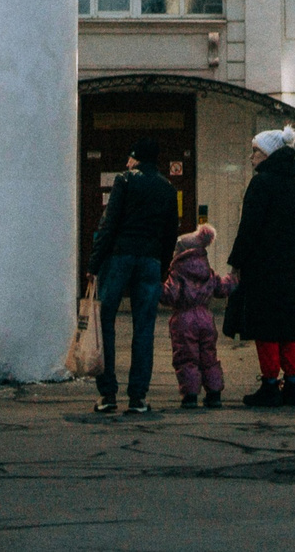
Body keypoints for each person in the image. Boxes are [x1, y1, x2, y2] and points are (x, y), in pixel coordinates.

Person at [86, 136, 180, 414]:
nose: (127, 162)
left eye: (130, 157)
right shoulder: (167, 188)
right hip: (150, 260)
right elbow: (170, 232)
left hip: (119, 256)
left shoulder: (124, 181)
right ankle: (138, 397)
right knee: (144, 328)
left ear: (137, 158)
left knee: (106, 323)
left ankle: (108, 395)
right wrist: (162, 266)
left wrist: (94, 263)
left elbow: (109, 224)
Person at [224, 126, 295, 407]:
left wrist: (237, 262)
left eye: (255, 151)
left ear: (268, 154)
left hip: (260, 265)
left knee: (264, 326)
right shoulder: (293, 186)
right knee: (285, 323)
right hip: (284, 264)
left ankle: (270, 384)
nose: (251, 157)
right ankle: (293, 384)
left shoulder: (261, 184)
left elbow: (249, 227)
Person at [160, 223, 235, 409]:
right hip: (205, 318)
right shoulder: (207, 272)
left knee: (187, 357)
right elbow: (222, 288)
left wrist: (154, 286)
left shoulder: (178, 273)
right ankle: (214, 393)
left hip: (184, 319)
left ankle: (190, 395)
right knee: (209, 356)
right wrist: (234, 278)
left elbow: (170, 295)